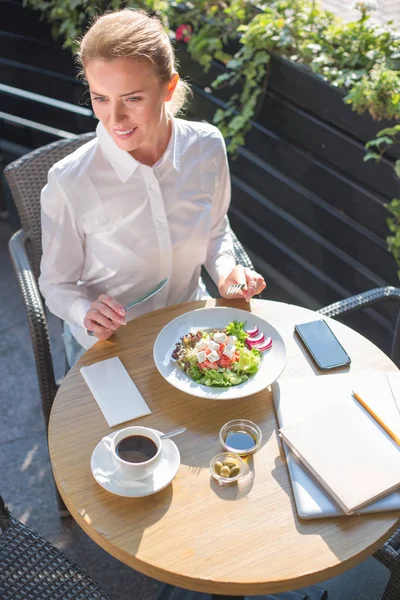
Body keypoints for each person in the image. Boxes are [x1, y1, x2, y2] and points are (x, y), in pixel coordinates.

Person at [39, 8, 266, 367]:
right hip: (111, 347)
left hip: (190, 329)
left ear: (168, 87)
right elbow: (55, 286)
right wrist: (85, 312)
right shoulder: (69, 180)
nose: (115, 119)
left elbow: (215, 229)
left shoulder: (207, 147)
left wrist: (226, 272)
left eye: (132, 98)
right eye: (100, 98)